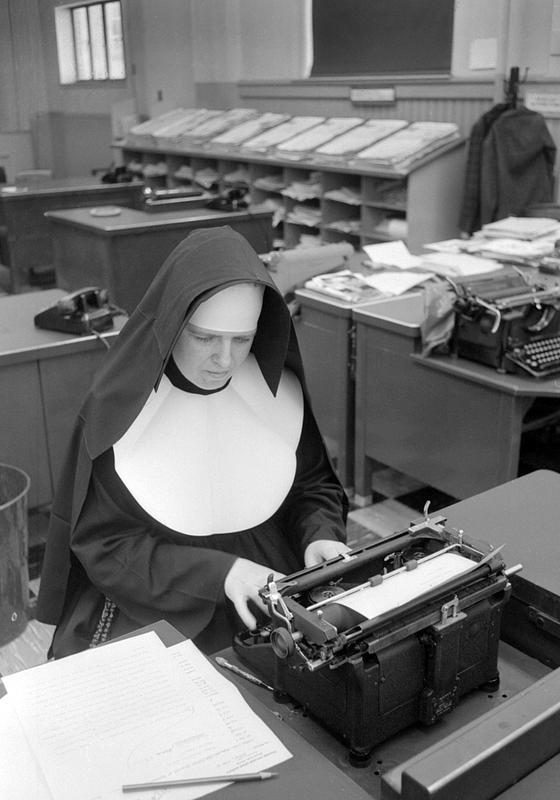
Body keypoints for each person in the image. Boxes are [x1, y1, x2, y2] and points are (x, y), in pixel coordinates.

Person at [37, 226, 349, 657]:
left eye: (242, 340)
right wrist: (220, 573)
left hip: (270, 579)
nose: (225, 360)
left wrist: (320, 535)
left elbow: (313, 487)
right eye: (205, 338)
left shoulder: (276, 392)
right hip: (159, 590)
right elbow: (106, 545)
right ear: (173, 324)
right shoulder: (120, 408)